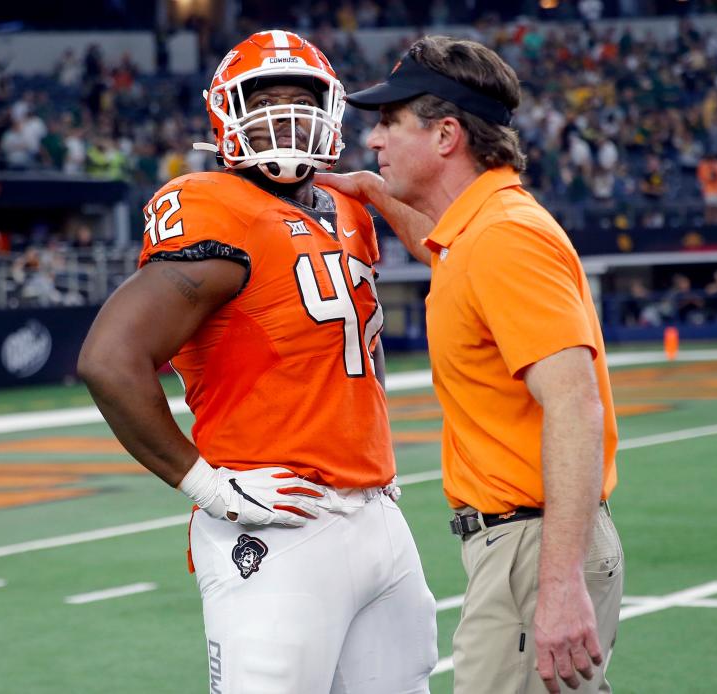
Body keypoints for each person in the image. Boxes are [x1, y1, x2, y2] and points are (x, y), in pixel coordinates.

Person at [77, 30, 437, 694]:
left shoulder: (348, 209)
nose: (284, 115)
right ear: (225, 112)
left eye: (301, 100)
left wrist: (372, 452)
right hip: (279, 523)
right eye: (264, 98)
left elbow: (357, 346)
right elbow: (109, 358)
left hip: (376, 512)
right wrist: (205, 486)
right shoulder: (214, 206)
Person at [318, 37, 623, 694]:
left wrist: (559, 584)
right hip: (528, 543)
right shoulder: (479, 230)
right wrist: (374, 193)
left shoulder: (503, 236)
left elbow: (574, 404)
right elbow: (447, 256)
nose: (374, 140)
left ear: (446, 134)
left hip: (535, 546)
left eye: (390, 122)